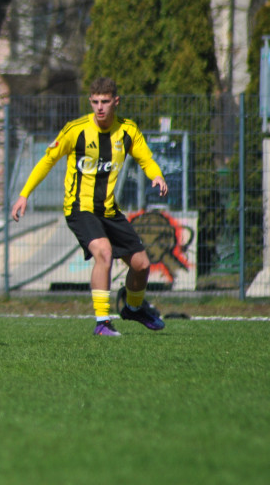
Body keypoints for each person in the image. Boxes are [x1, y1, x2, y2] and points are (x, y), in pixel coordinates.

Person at [9, 77, 168, 336]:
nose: (100, 107)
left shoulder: (127, 131)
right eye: (95, 102)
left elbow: (145, 158)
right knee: (103, 252)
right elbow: (47, 161)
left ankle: (133, 308)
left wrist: (157, 175)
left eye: (105, 101)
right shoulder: (76, 130)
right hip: (79, 207)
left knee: (141, 265)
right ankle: (102, 322)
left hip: (109, 210)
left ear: (116, 101)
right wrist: (24, 194)